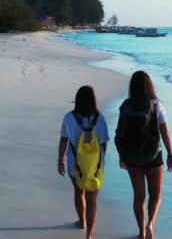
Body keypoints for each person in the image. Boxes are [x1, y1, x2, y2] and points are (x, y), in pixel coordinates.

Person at [115, 71, 172, 239]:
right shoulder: (157, 105)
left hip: (132, 156)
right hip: (154, 155)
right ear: (149, 85)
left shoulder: (126, 106)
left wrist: (122, 155)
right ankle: (150, 226)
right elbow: (165, 133)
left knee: (139, 196)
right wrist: (171, 155)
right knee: (155, 195)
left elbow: (121, 133)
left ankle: (141, 232)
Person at [58, 85, 109, 239]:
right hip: (95, 166)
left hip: (75, 164)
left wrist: (60, 161)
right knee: (92, 200)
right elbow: (104, 143)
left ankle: (82, 222)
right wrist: (100, 162)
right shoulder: (100, 119)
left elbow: (63, 140)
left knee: (79, 192)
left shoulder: (69, 118)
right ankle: (90, 235)